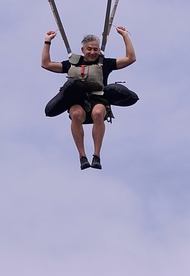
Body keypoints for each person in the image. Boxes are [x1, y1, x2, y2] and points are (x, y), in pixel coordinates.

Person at [41, 27, 136, 170]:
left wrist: (125, 36)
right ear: (83, 50)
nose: (92, 52)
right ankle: (82, 156)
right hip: (77, 100)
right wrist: (47, 42)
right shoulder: (72, 63)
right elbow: (46, 64)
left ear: (99, 50)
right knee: (76, 114)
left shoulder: (105, 63)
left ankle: (96, 156)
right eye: (89, 49)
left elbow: (130, 58)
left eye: (95, 50)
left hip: (98, 99)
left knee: (98, 113)